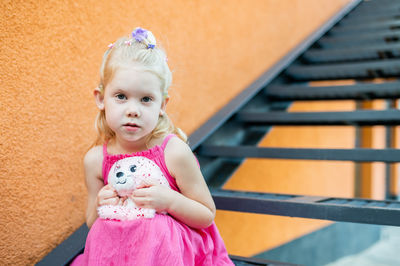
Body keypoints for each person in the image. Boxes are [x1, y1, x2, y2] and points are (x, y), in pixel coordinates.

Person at [71, 27, 234, 265]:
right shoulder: (96, 160)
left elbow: (206, 215)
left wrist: (169, 201)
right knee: (100, 230)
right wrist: (100, 204)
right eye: (121, 96)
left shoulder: (174, 152)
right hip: (123, 251)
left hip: (173, 250)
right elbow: (91, 222)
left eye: (146, 99)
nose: (133, 110)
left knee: (154, 227)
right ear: (100, 98)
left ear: (162, 105)